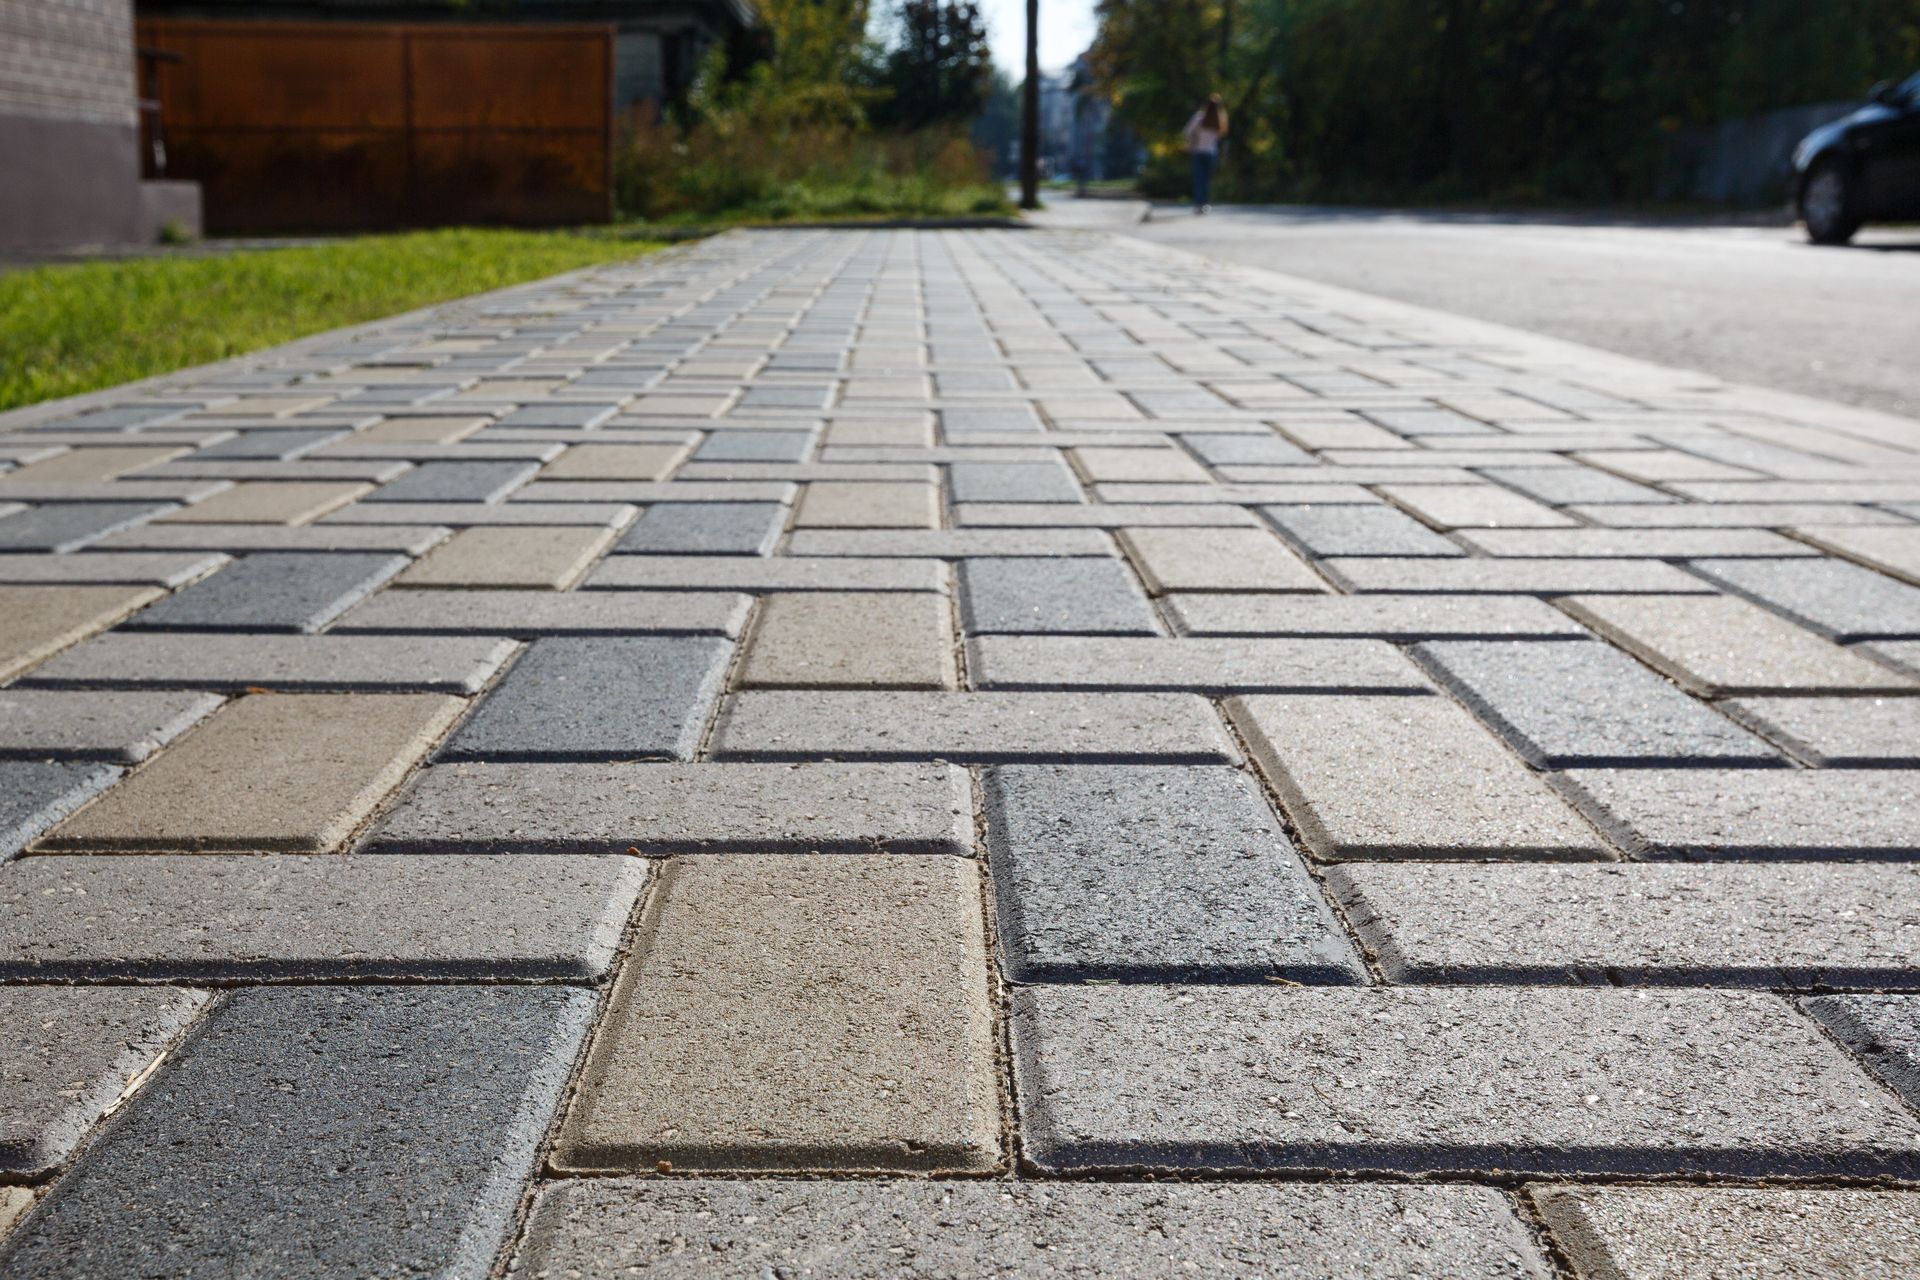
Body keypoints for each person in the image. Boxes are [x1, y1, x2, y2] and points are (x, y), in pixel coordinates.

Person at [1183, 94, 1228, 212]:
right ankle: (1205, 204)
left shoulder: (1199, 117)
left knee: (1199, 179)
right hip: (1211, 153)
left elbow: (1187, 132)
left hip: (1198, 151)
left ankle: (1198, 204)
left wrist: (1192, 141)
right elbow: (1219, 137)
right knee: (1207, 180)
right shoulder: (1219, 119)